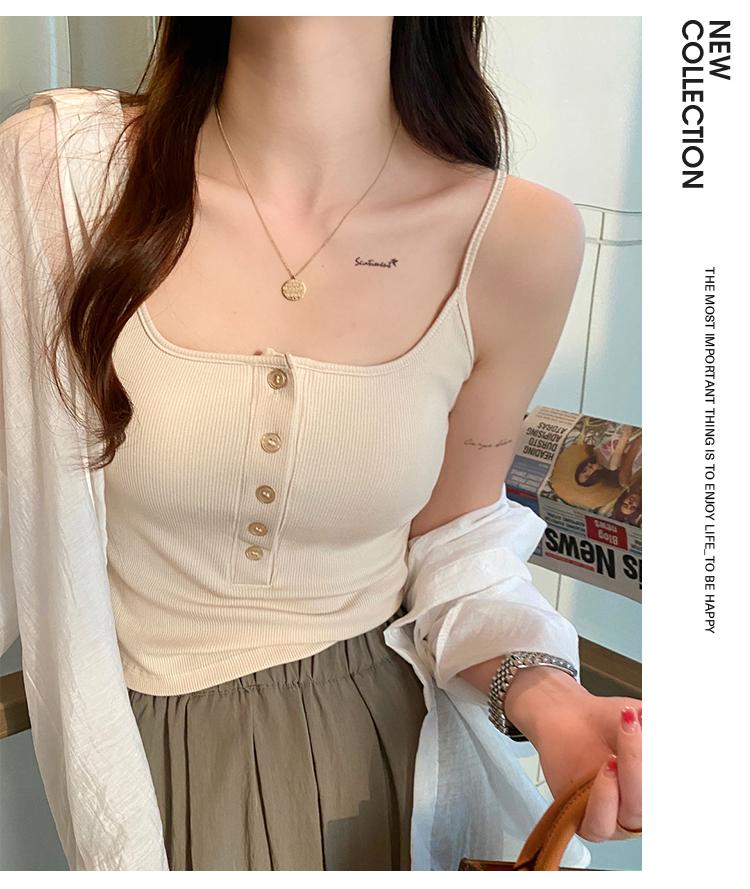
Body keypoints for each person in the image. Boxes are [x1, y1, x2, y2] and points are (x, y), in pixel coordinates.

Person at [0, 16, 641, 871]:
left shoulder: (515, 238)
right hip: (127, 755)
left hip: (380, 757)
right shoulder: (58, 180)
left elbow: (457, 539)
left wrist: (548, 697)